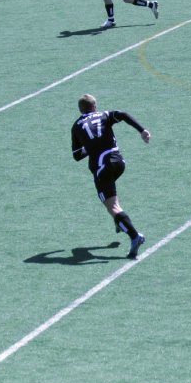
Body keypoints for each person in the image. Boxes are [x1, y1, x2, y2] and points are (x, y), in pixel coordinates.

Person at [71, 94, 150, 259]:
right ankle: (120, 222)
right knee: (112, 197)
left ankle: (134, 236)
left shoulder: (76, 126)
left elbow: (77, 155)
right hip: (119, 162)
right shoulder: (104, 115)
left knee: (112, 206)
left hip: (101, 167)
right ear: (94, 107)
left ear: (80, 110)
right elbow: (123, 114)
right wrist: (142, 130)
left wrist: (89, 146)